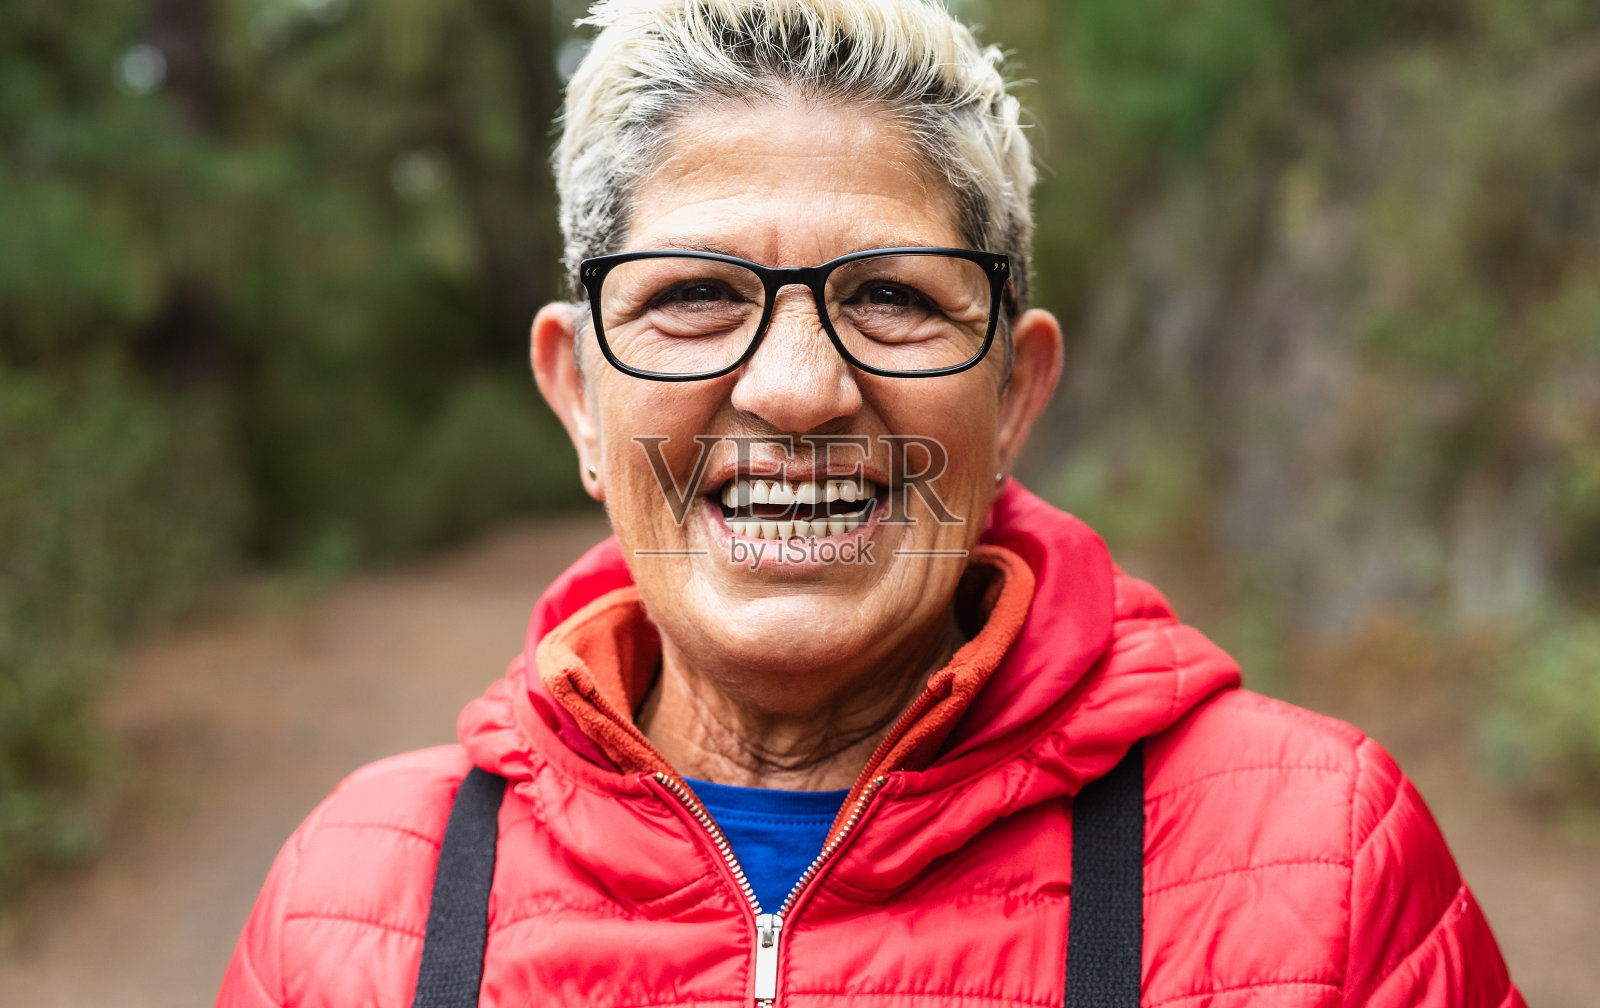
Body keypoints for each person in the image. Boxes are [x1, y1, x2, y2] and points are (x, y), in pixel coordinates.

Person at [217, 1, 1524, 1005]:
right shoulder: (358, 906)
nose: (796, 389)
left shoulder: (1324, 871)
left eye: (894, 297)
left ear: (1014, 391)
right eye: (693, 298)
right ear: (577, 396)